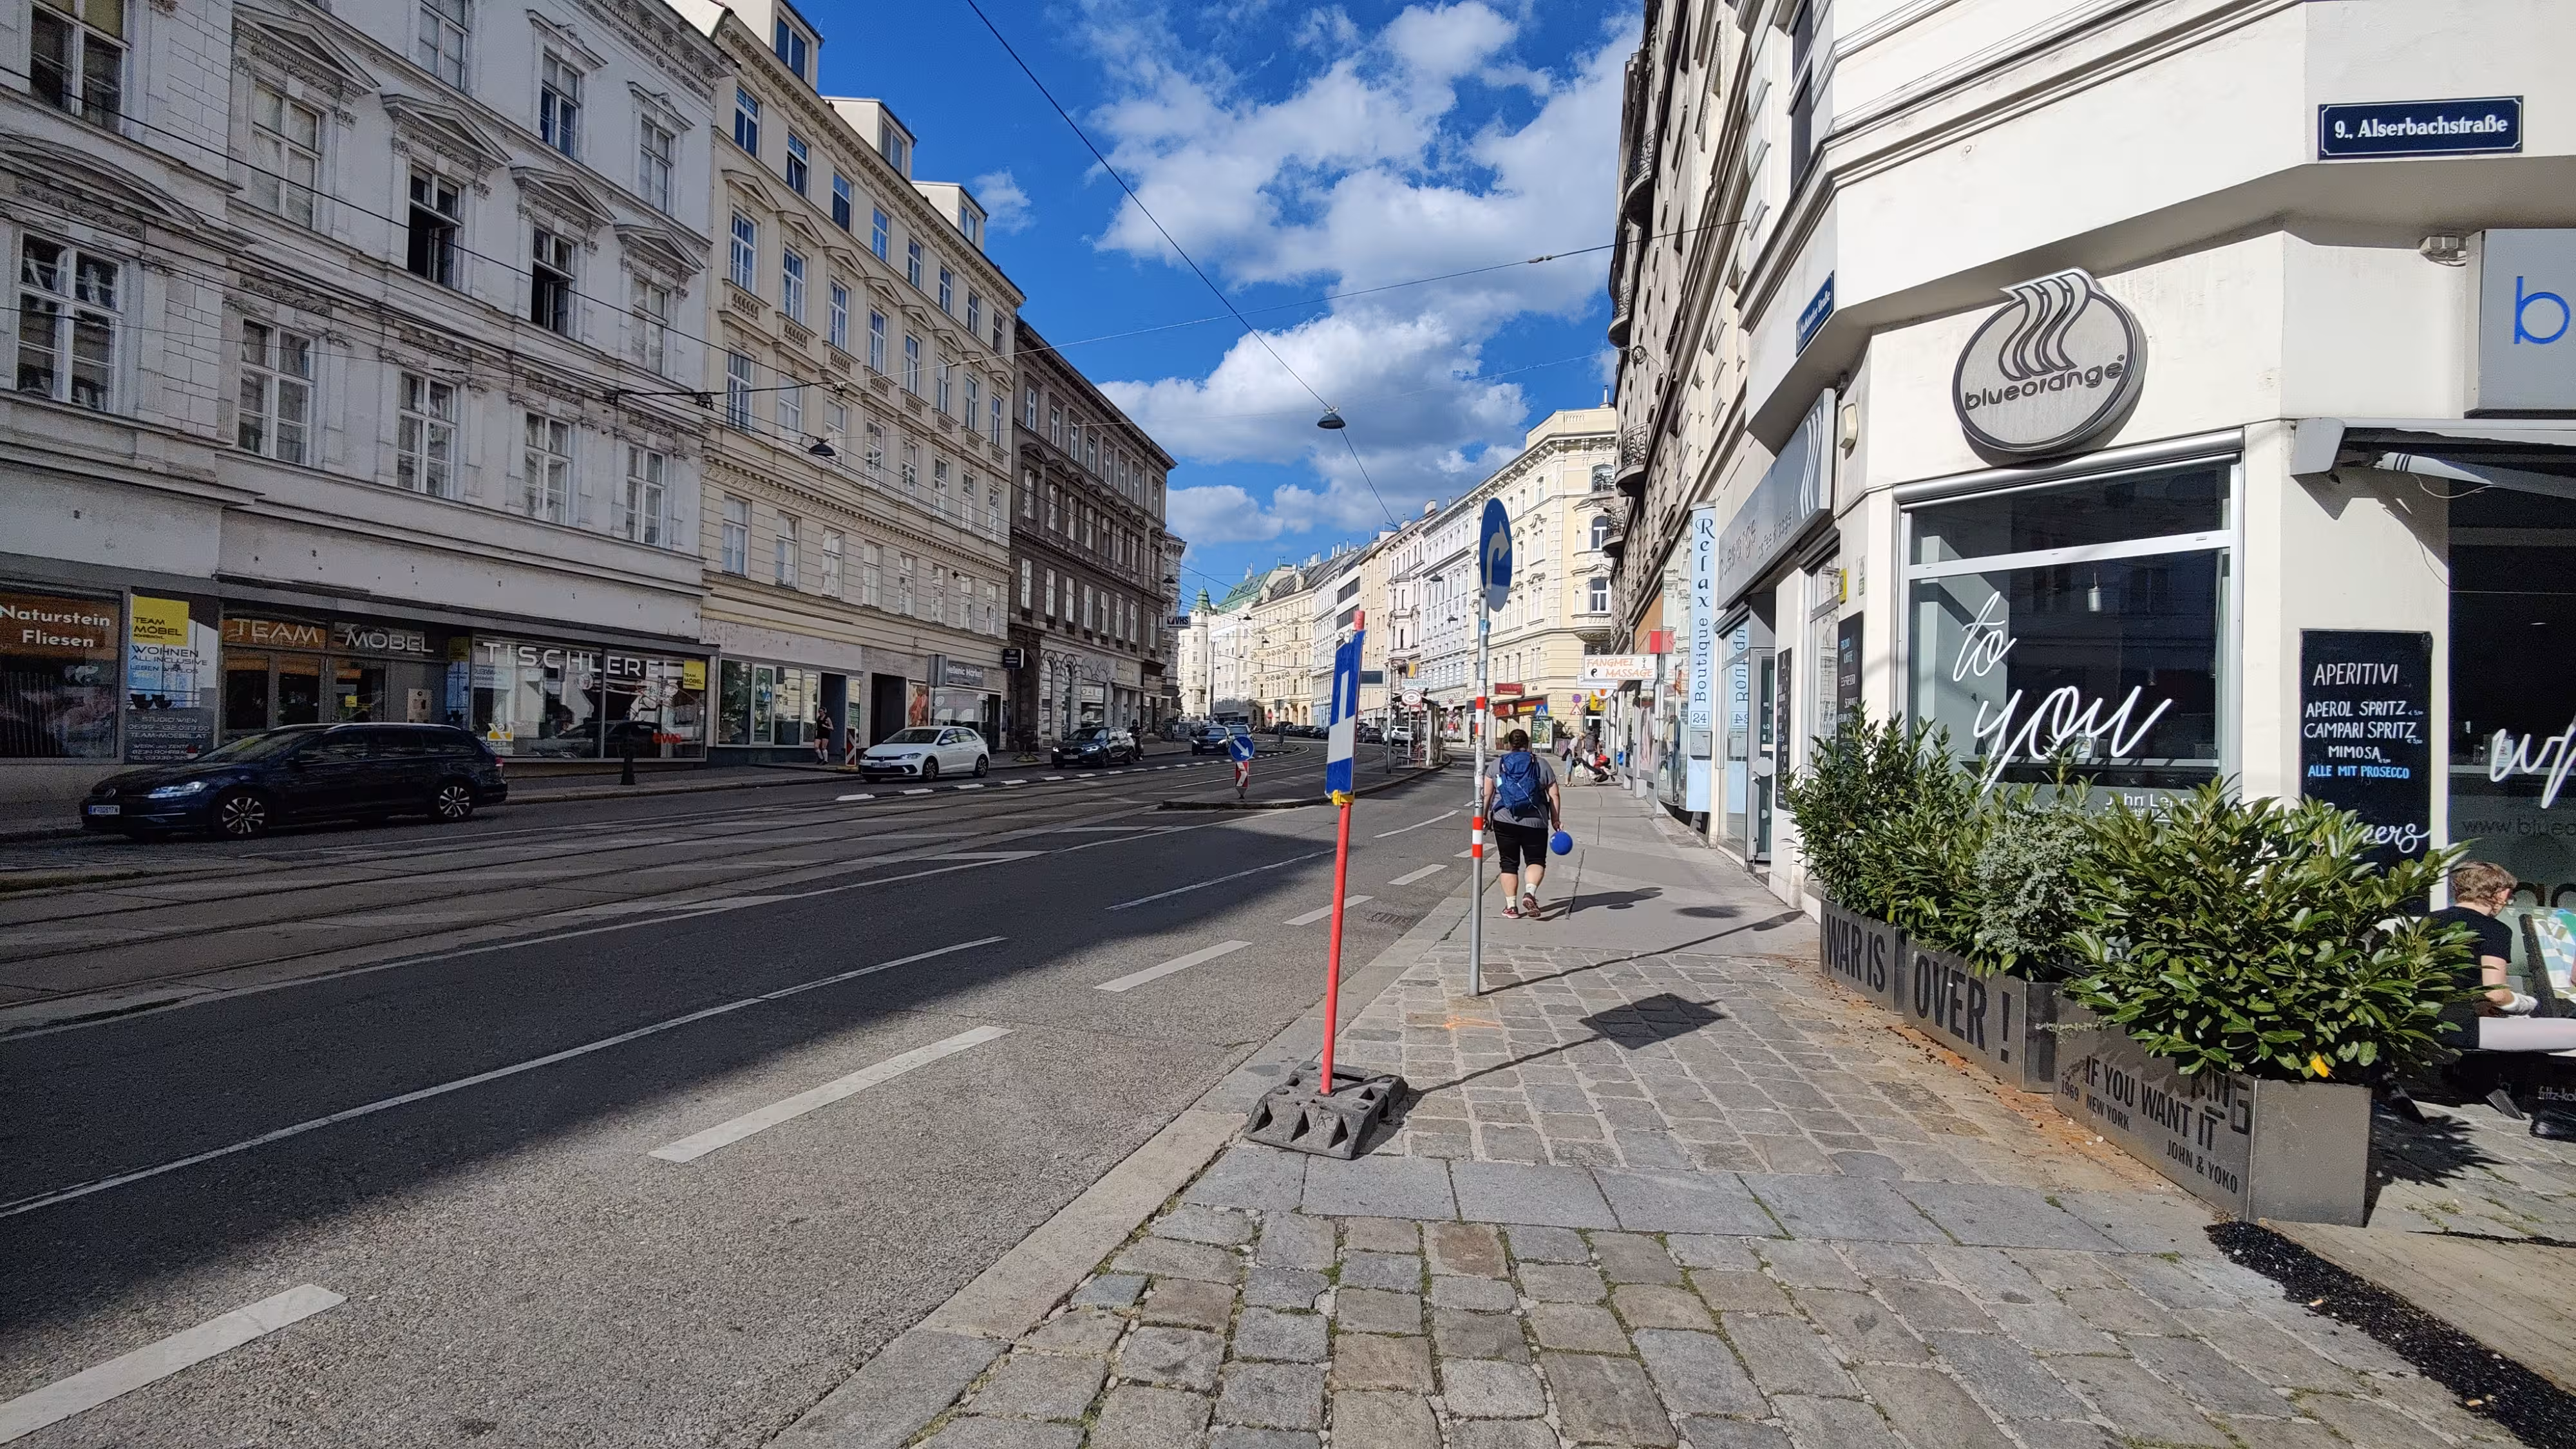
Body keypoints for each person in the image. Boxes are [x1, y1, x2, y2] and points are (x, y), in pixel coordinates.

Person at [2430, 862, 2576, 1052]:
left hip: (2420, 1025)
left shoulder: (2427, 921)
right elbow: (2496, 993)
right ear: (2500, 894)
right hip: (2461, 1029)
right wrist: (2525, 1004)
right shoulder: (2494, 929)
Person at [1485, 728, 1562, 920]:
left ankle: (1511, 907)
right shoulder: (1541, 764)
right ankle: (1530, 893)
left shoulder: (1497, 764)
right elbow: (1554, 794)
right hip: (1536, 822)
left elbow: (1486, 795)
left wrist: (1483, 815)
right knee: (1535, 860)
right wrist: (1555, 819)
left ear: (1509, 744)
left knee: (1508, 863)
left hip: (1504, 820)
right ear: (1528, 744)